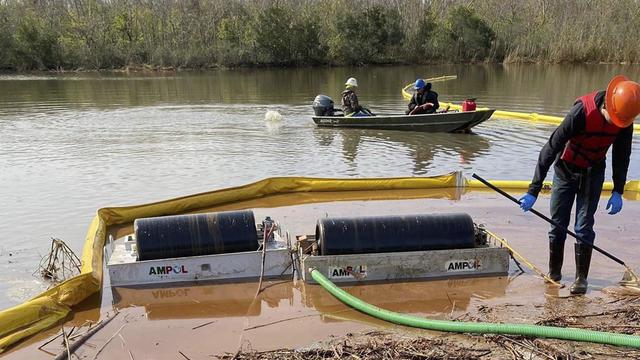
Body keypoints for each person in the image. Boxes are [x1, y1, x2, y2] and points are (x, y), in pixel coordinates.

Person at [518, 75, 640, 295]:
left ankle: (581, 280)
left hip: (593, 173)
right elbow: (550, 148)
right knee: (557, 224)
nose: (615, 124)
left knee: (584, 227)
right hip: (565, 170)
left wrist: (618, 190)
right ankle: (554, 274)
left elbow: (622, 155)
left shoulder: (625, 120)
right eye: (613, 119)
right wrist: (533, 191)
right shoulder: (581, 113)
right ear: (607, 105)